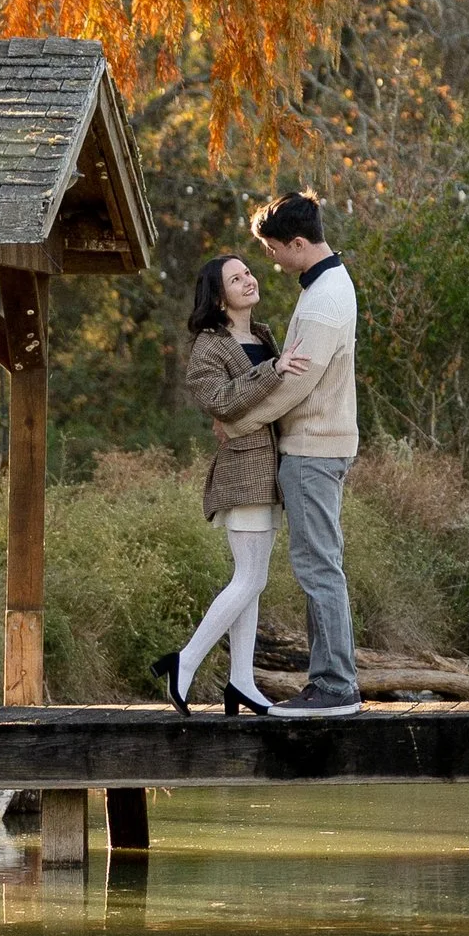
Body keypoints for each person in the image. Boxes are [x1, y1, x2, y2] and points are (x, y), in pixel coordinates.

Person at [166, 250, 297, 716]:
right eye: (236, 279)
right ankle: (185, 661)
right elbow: (219, 402)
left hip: (271, 470)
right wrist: (273, 370)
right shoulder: (209, 346)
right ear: (219, 298)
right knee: (249, 578)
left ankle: (241, 681)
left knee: (253, 581)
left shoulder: (263, 335)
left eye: (248, 273)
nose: (248, 280)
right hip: (242, 472)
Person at [247, 191, 360, 711]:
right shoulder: (326, 286)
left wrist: (242, 421)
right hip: (317, 446)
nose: (270, 258)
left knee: (318, 568)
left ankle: (335, 685)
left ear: (297, 243)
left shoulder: (325, 299)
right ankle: (331, 682)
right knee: (321, 564)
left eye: (272, 248)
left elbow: (297, 385)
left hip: (313, 449)